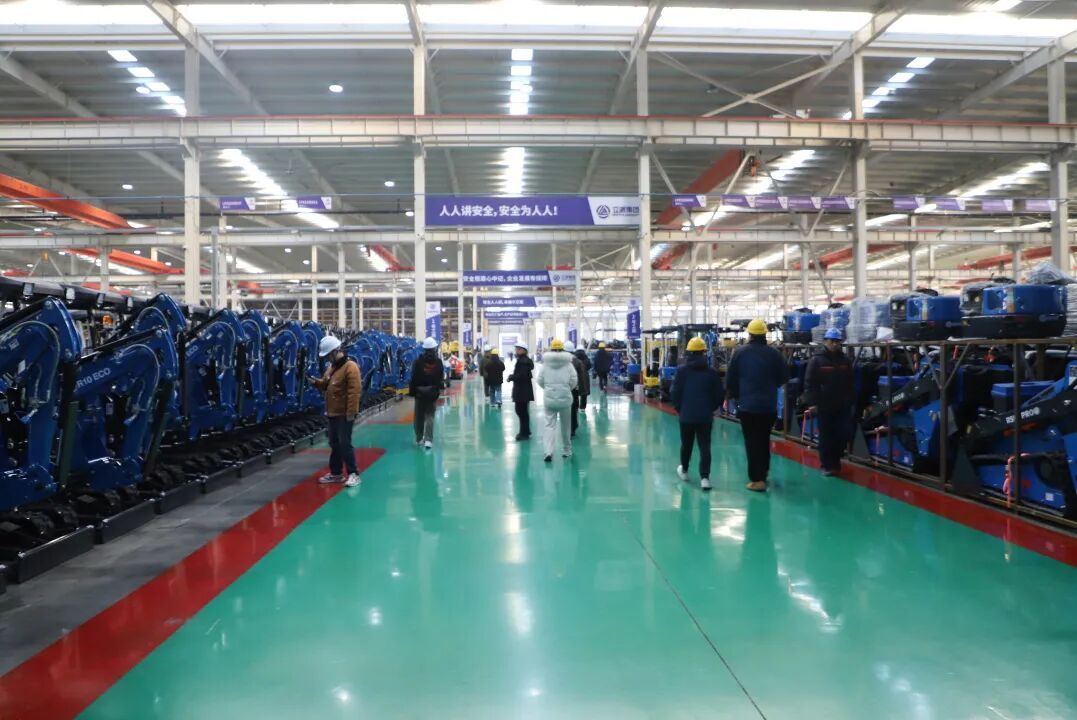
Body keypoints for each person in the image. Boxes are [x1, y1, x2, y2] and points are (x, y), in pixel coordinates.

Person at [726, 318, 788, 493]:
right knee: (764, 439)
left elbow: (731, 379)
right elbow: (784, 377)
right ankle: (763, 474)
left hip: (748, 406)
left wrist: (735, 396)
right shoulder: (775, 354)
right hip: (768, 407)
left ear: (750, 335)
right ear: (765, 335)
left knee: (752, 442)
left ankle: (757, 479)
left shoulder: (740, 353)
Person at [672, 337, 725, 491]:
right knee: (704, 446)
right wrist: (711, 408)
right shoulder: (711, 372)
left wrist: (680, 408)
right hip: (705, 416)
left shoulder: (682, 371)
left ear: (688, 353)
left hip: (686, 415)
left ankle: (684, 470)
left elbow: (675, 392)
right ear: (704, 352)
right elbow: (719, 393)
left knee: (686, 444)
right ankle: (705, 478)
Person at [309, 335, 361, 487]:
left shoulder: (350, 367)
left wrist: (351, 412)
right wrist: (316, 382)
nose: (327, 359)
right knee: (334, 443)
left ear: (335, 352)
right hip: (332, 412)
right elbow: (326, 384)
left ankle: (353, 474)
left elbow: (354, 392)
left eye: (328, 356)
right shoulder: (332, 368)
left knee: (345, 443)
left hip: (345, 414)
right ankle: (336, 473)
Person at [803, 328, 855, 476]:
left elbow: (850, 382)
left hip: (842, 405)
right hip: (824, 405)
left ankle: (836, 462)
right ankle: (827, 465)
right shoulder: (817, 360)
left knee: (843, 434)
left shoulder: (844, 360)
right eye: (832, 341)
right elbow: (810, 383)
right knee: (826, 436)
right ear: (825, 341)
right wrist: (812, 403)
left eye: (837, 341)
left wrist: (851, 400)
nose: (835, 344)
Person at [537, 338, 578, 463]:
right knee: (566, 426)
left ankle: (548, 452)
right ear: (562, 349)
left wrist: (548, 389)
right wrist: (566, 389)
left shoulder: (545, 365)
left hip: (549, 400)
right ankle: (566, 450)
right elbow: (574, 381)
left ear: (551, 349)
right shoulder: (569, 365)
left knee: (549, 426)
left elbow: (540, 380)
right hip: (565, 399)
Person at [409, 337, 444, 450]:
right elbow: (440, 378)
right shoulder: (438, 362)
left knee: (418, 417)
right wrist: (437, 389)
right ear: (434, 349)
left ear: (424, 349)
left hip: (419, 394)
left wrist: (412, 392)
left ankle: (419, 439)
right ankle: (428, 440)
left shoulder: (418, 362)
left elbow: (413, 378)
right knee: (430, 416)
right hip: (432, 394)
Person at [507, 342, 535, 441]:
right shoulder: (524, 360)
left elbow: (522, 376)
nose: (516, 350)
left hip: (522, 391)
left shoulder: (523, 362)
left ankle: (524, 433)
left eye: (518, 349)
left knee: (521, 411)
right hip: (524, 390)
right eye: (516, 349)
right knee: (523, 412)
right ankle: (526, 431)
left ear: (523, 350)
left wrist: (512, 377)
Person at [574, 345, 592, 410]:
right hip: (585, 376)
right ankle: (582, 408)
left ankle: (576, 407)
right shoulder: (586, 358)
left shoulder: (574, 358)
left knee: (575, 393)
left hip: (576, 376)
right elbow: (589, 366)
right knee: (584, 393)